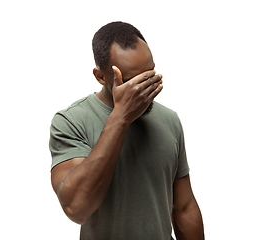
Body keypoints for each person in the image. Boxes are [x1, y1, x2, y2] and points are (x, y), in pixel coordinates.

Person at [49, 21, 204, 240]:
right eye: (132, 81)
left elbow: (184, 207)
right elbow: (76, 208)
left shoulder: (170, 120)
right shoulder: (71, 121)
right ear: (101, 77)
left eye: (149, 74)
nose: (144, 88)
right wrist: (121, 117)